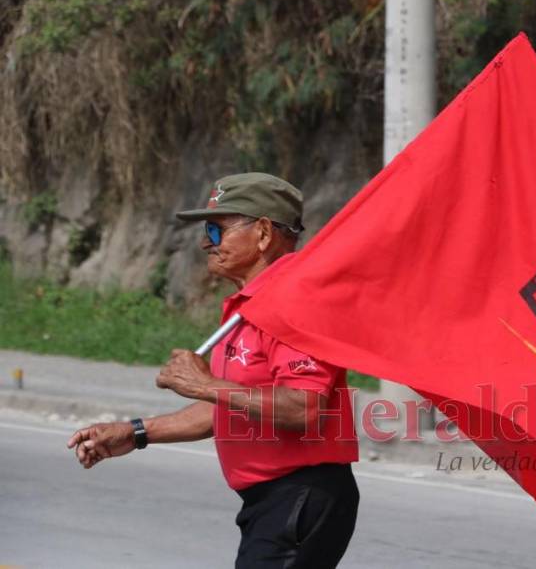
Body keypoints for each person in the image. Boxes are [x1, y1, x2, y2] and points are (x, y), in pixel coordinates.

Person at [67, 172, 360, 569]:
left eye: (216, 229)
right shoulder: (249, 305)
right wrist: (136, 432)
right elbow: (230, 405)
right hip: (272, 500)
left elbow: (303, 407)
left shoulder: (294, 302)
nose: (206, 242)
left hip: (300, 493)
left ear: (261, 233)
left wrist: (205, 384)